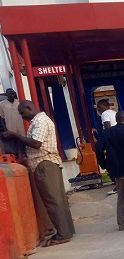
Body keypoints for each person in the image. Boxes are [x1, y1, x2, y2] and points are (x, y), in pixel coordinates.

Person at [1, 100, 75, 246]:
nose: (23, 117)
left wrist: (15, 135)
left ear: (29, 108)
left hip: (44, 164)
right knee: (58, 199)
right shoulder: (39, 121)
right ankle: (66, 231)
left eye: (23, 113)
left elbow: (36, 143)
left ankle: (62, 234)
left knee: (52, 201)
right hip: (47, 164)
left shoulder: (40, 121)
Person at [0, 88, 25, 156]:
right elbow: (2, 118)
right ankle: (17, 155)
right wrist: (5, 129)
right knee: (14, 142)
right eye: (10, 94)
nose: (12, 95)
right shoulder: (2, 104)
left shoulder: (19, 102)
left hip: (20, 125)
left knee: (22, 140)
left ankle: (22, 154)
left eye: (13, 93)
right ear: (7, 95)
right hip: (10, 125)